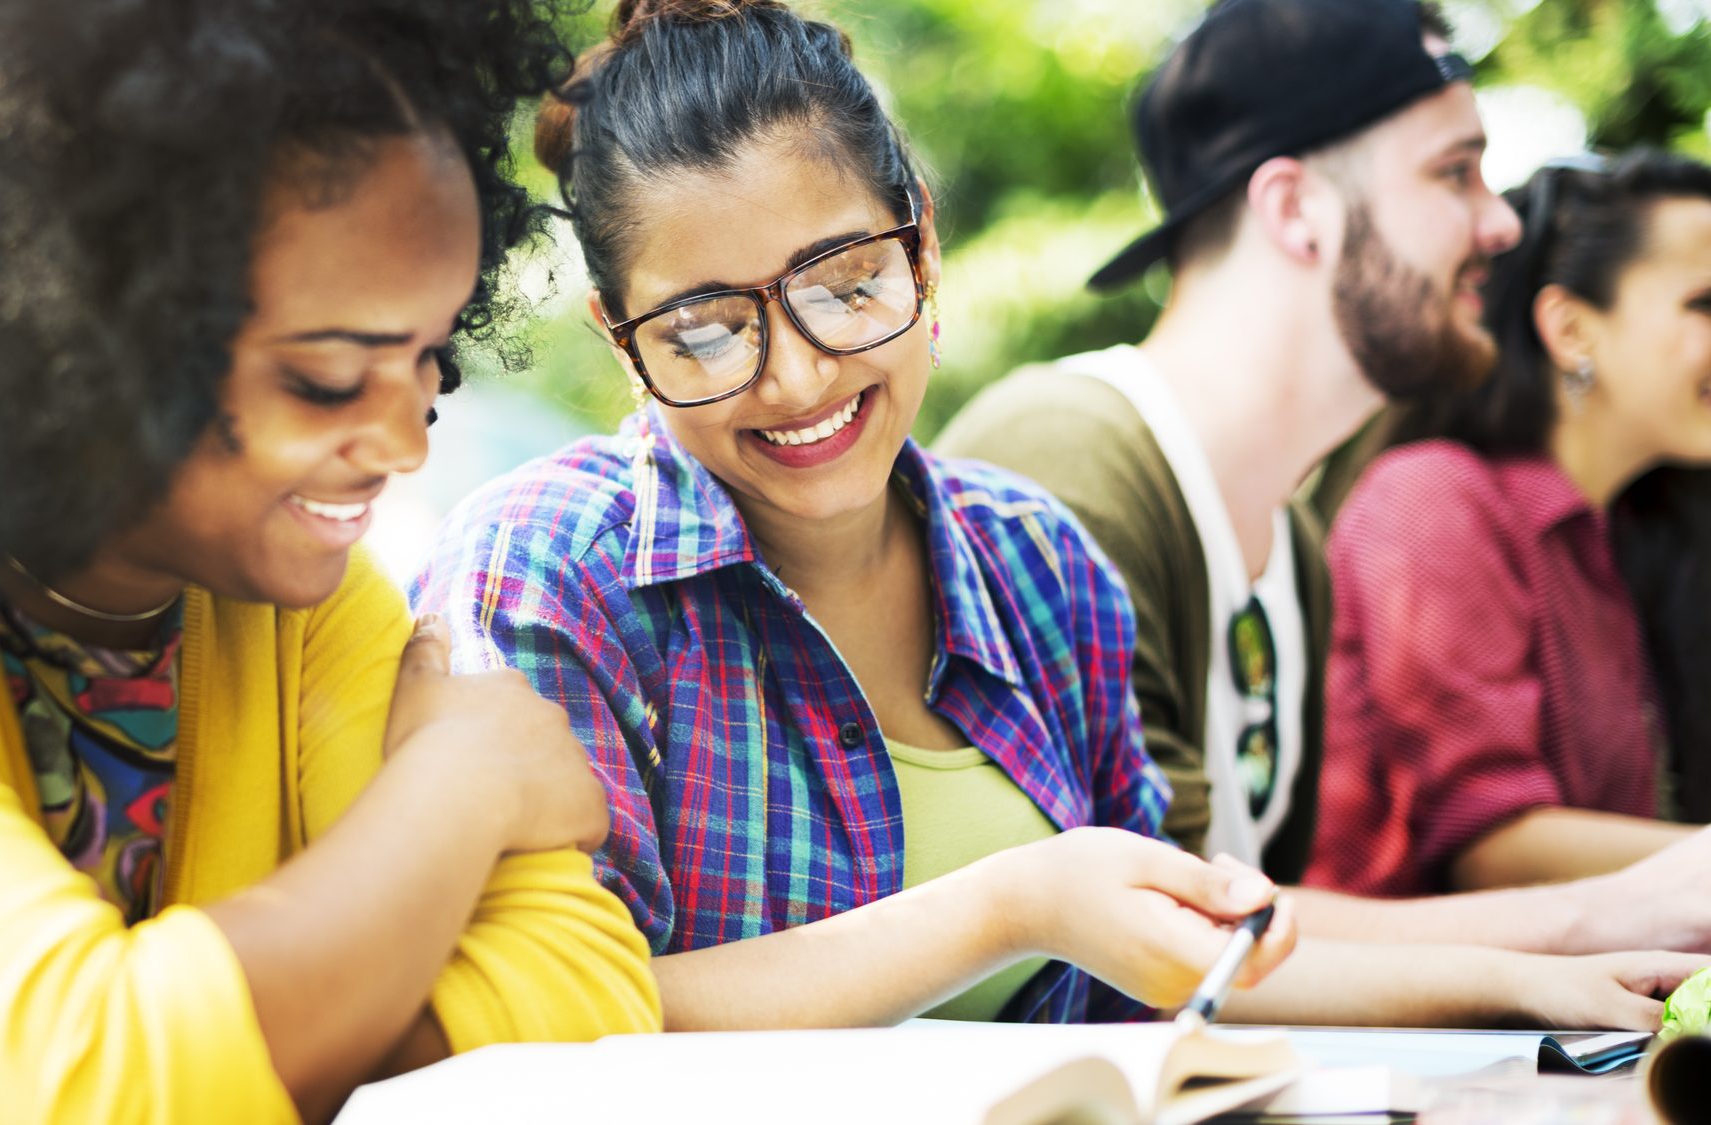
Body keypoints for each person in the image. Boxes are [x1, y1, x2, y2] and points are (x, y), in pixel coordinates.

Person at [413, 0, 1694, 1032]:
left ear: (921, 254)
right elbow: (551, 1021)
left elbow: (1178, 956)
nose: (796, 376)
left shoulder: (1035, 560)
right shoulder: (549, 569)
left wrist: (1524, 980)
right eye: (702, 327)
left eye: (846, 285)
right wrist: (1007, 905)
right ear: (619, 342)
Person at [0, 1, 657, 1122]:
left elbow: (589, 981)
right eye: (323, 381)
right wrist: (463, 783)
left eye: (427, 357)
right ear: (76, 336)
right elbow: (103, 1082)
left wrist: (246, 1050)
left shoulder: (306, 604)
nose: (407, 446)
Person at [936, 0, 1711, 968]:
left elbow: (1263, 921)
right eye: (1451, 171)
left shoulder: (1290, 547)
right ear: (1292, 208)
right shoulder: (1064, 459)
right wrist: (1605, 922)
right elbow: (1153, 943)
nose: (1502, 221)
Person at [1314, 150, 1711, 897]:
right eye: (1706, 303)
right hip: (1390, 1009)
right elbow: (1489, 841)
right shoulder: (1431, 501)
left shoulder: (1629, 532)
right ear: (1570, 328)